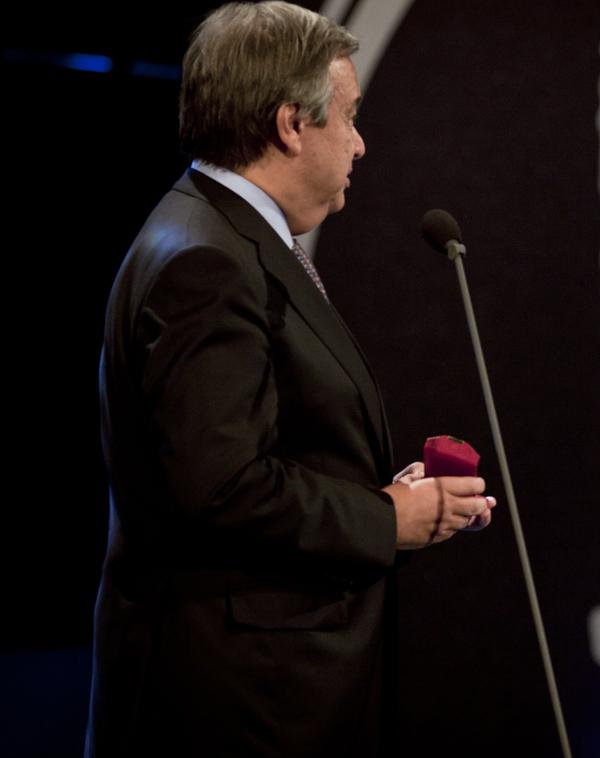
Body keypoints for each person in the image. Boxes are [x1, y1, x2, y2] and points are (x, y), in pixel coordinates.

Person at [86, 3, 495, 756]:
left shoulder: (212, 233)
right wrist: (383, 518)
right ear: (289, 125)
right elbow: (220, 488)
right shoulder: (205, 263)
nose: (361, 144)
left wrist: (390, 497)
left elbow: (259, 453)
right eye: (349, 117)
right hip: (236, 705)